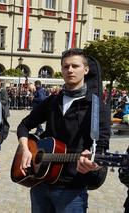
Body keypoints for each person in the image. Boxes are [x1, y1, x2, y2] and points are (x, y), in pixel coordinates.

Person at [17, 48, 110, 212]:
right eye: (66, 67)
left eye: (75, 66)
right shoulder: (53, 100)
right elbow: (24, 125)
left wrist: (93, 164)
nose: (70, 70)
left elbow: (101, 148)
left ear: (86, 70)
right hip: (40, 181)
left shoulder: (97, 107)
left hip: (71, 189)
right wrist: (26, 150)